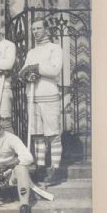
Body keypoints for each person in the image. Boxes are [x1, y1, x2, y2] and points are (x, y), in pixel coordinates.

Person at [19, 18, 63, 186]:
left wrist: (35, 69)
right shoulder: (31, 52)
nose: (36, 31)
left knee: (52, 133)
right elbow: (23, 70)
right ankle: (41, 167)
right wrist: (25, 74)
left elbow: (54, 69)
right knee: (37, 134)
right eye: (33, 29)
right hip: (33, 96)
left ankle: (55, 169)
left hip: (49, 94)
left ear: (46, 29)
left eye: (38, 28)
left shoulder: (54, 48)